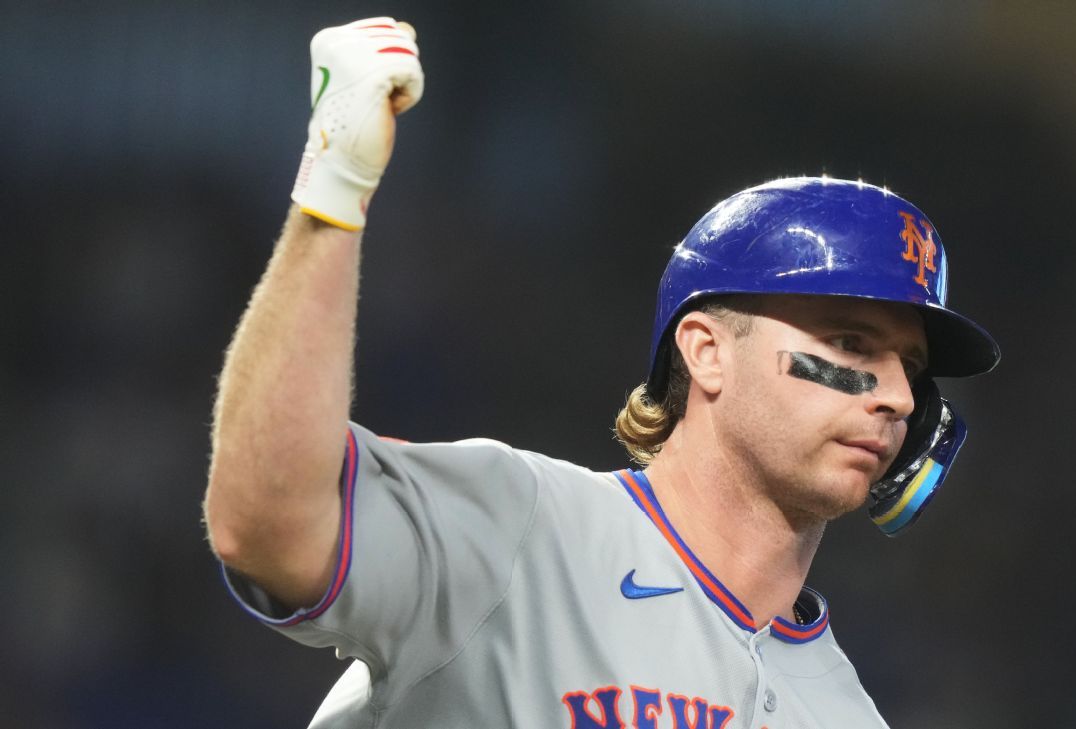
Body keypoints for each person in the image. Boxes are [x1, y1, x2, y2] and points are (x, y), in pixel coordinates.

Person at [204, 17, 1000, 729]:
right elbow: (264, 523)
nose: (899, 396)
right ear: (707, 351)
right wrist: (334, 193)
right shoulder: (520, 529)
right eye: (854, 343)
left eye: (911, 366)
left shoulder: (844, 712)